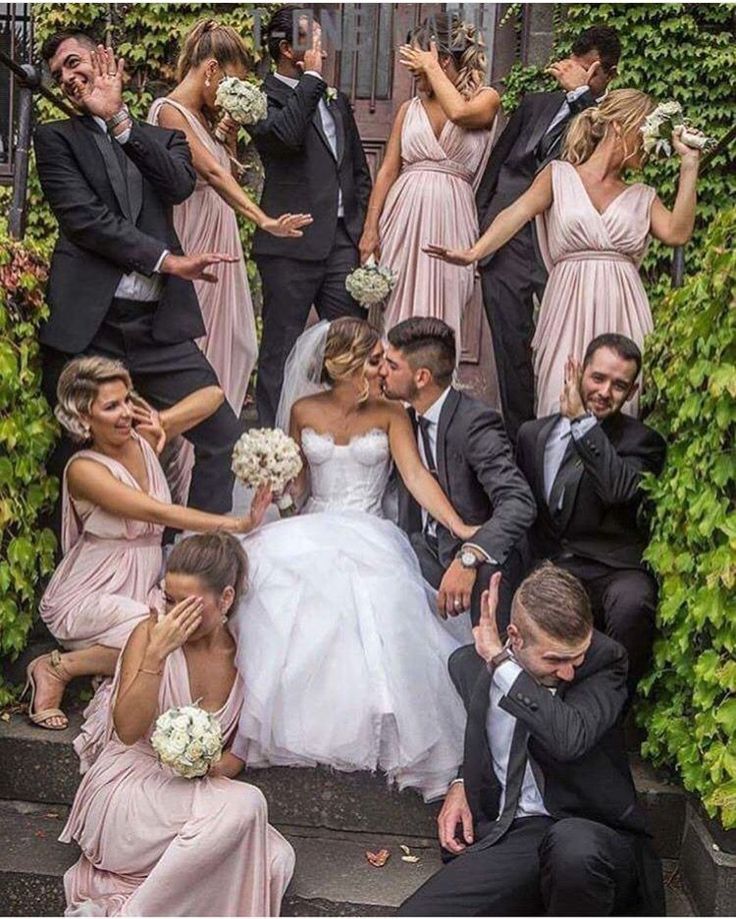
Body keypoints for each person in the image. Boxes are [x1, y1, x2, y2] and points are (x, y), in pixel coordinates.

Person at [230, 317, 477, 802]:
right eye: (373, 359)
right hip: (312, 522)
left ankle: (380, 721)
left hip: (368, 529)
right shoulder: (303, 409)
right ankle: (292, 723)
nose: (382, 367)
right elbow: (298, 489)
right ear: (342, 364)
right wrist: (274, 485)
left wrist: (458, 525)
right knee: (270, 581)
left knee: (381, 601)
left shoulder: (390, 413)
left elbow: (414, 477)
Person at [35, 33, 242, 516]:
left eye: (72, 63)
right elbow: (85, 221)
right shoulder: (55, 139)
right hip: (91, 327)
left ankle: (187, 552)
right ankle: (78, 569)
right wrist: (167, 260)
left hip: (157, 326)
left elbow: (177, 185)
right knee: (73, 455)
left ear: (107, 62)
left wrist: (120, 122)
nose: (65, 78)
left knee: (223, 436)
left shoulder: (162, 136)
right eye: (58, 74)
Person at [24, 357, 270, 744]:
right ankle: (59, 667)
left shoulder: (142, 438)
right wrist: (236, 524)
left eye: (127, 400)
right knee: (159, 632)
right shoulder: (83, 469)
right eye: (111, 406)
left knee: (191, 624)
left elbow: (213, 396)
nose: (125, 413)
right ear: (84, 418)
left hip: (143, 581)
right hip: (92, 588)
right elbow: (157, 511)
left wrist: (163, 419)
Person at [398, 564, 665, 916]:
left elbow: (569, 737)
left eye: (577, 656)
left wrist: (502, 664)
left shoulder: (605, 663)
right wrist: (463, 781)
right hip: (520, 834)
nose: (569, 671)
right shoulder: (467, 666)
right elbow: (483, 736)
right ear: (516, 636)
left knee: (573, 847)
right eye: (555, 659)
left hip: (593, 837)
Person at [427, 88, 701, 419]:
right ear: (620, 126)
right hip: (567, 304)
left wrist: (689, 164)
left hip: (624, 307)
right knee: (558, 400)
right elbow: (515, 214)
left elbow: (677, 232)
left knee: (621, 406)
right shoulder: (558, 176)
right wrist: (474, 252)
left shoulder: (642, 195)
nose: (650, 145)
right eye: (647, 131)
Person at [60, 532, 295, 916]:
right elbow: (128, 730)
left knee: (276, 860)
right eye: (169, 599)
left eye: (187, 604)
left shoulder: (248, 655)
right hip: (128, 788)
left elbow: (233, 760)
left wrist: (197, 762)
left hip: (190, 797)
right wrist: (155, 655)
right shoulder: (149, 633)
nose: (173, 614)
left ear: (226, 599)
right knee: (249, 803)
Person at [149, 20, 313, 504]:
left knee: (237, 344)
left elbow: (228, 163)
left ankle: (206, 464)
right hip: (197, 237)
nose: (234, 91)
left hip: (220, 236)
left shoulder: (201, 114)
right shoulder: (169, 111)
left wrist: (228, 126)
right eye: (233, 81)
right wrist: (263, 218)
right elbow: (216, 175)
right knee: (203, 349)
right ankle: (177, 487)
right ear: (211, 70)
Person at [472, 25, 621, 440]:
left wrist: (580, 97)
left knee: (561, 346)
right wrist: (482, 225)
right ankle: (524, 446)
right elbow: (497, 165)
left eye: (596, 72)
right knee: (510, 348)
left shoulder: (605, 117)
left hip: (557, 241)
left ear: (602, 75)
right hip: (506, 240)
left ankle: (566, 440)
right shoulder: (536, 104)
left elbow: (592, 155)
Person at [516, 335, 666, 698]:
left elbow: (616, 488)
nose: (605, 391)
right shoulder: (533, 434)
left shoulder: (642, 442)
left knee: (634, 601)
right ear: (578, 371)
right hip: (552, 565)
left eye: (619, 385)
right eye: (598, 378)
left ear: (630, 394)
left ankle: (612, 708)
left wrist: (582, 423)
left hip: (610, 568)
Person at [251, 7, 372, 426]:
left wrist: (360, 232)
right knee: (280, 350)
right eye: (313, 40)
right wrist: (311, 80)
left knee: (352, 345)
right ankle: (271, 449)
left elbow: (357, 169)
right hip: (290, 243)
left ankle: (347, 438)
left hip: (340, 243)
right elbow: (283, 138)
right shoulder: (260, 98)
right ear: (287, 49)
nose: (324, 48)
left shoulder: (334, 99)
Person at [380, 318, 536, 630]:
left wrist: (470, 556)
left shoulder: (475, 424)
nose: (382, 371)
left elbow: (519, 502)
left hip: (470, 558)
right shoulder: (400, 420)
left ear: (422, 377)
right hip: (414, 547)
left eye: (392, 365)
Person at [357, 14, 498, 347]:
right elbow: (388, 170)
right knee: (396, 312)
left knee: (444, 314)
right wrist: (370, 228)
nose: (412, 71)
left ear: (442, 59)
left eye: (417, 63)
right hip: (403, 220)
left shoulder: (486, 99)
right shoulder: (409, 110)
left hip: (453, 218)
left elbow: (459, 115)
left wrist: (432, 68)